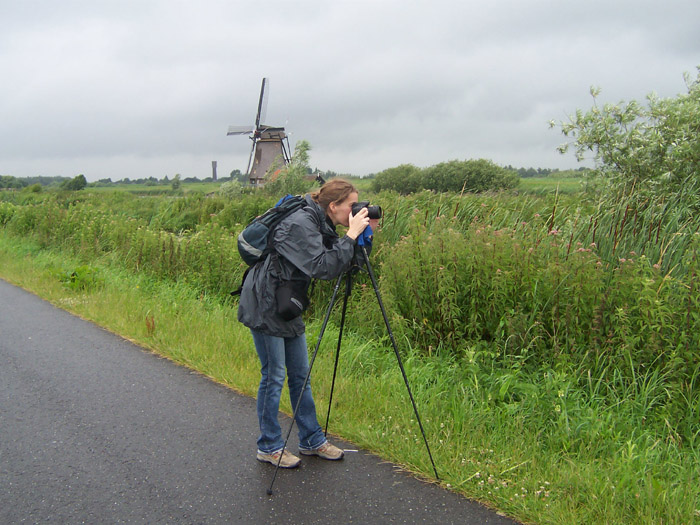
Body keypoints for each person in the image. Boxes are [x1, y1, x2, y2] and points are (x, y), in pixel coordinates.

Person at [238, 179, 371, 468]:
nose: (355, 211)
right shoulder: (300, 223)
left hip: (287, 300)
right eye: (351, 206)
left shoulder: (320, 220)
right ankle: (269, 445)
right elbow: (322, 267)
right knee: (274, 376)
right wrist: (350, 235)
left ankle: (312, 440)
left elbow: (341, 262)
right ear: (333, 206)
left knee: (300, 374)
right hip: (265, 300)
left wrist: (361, 237)